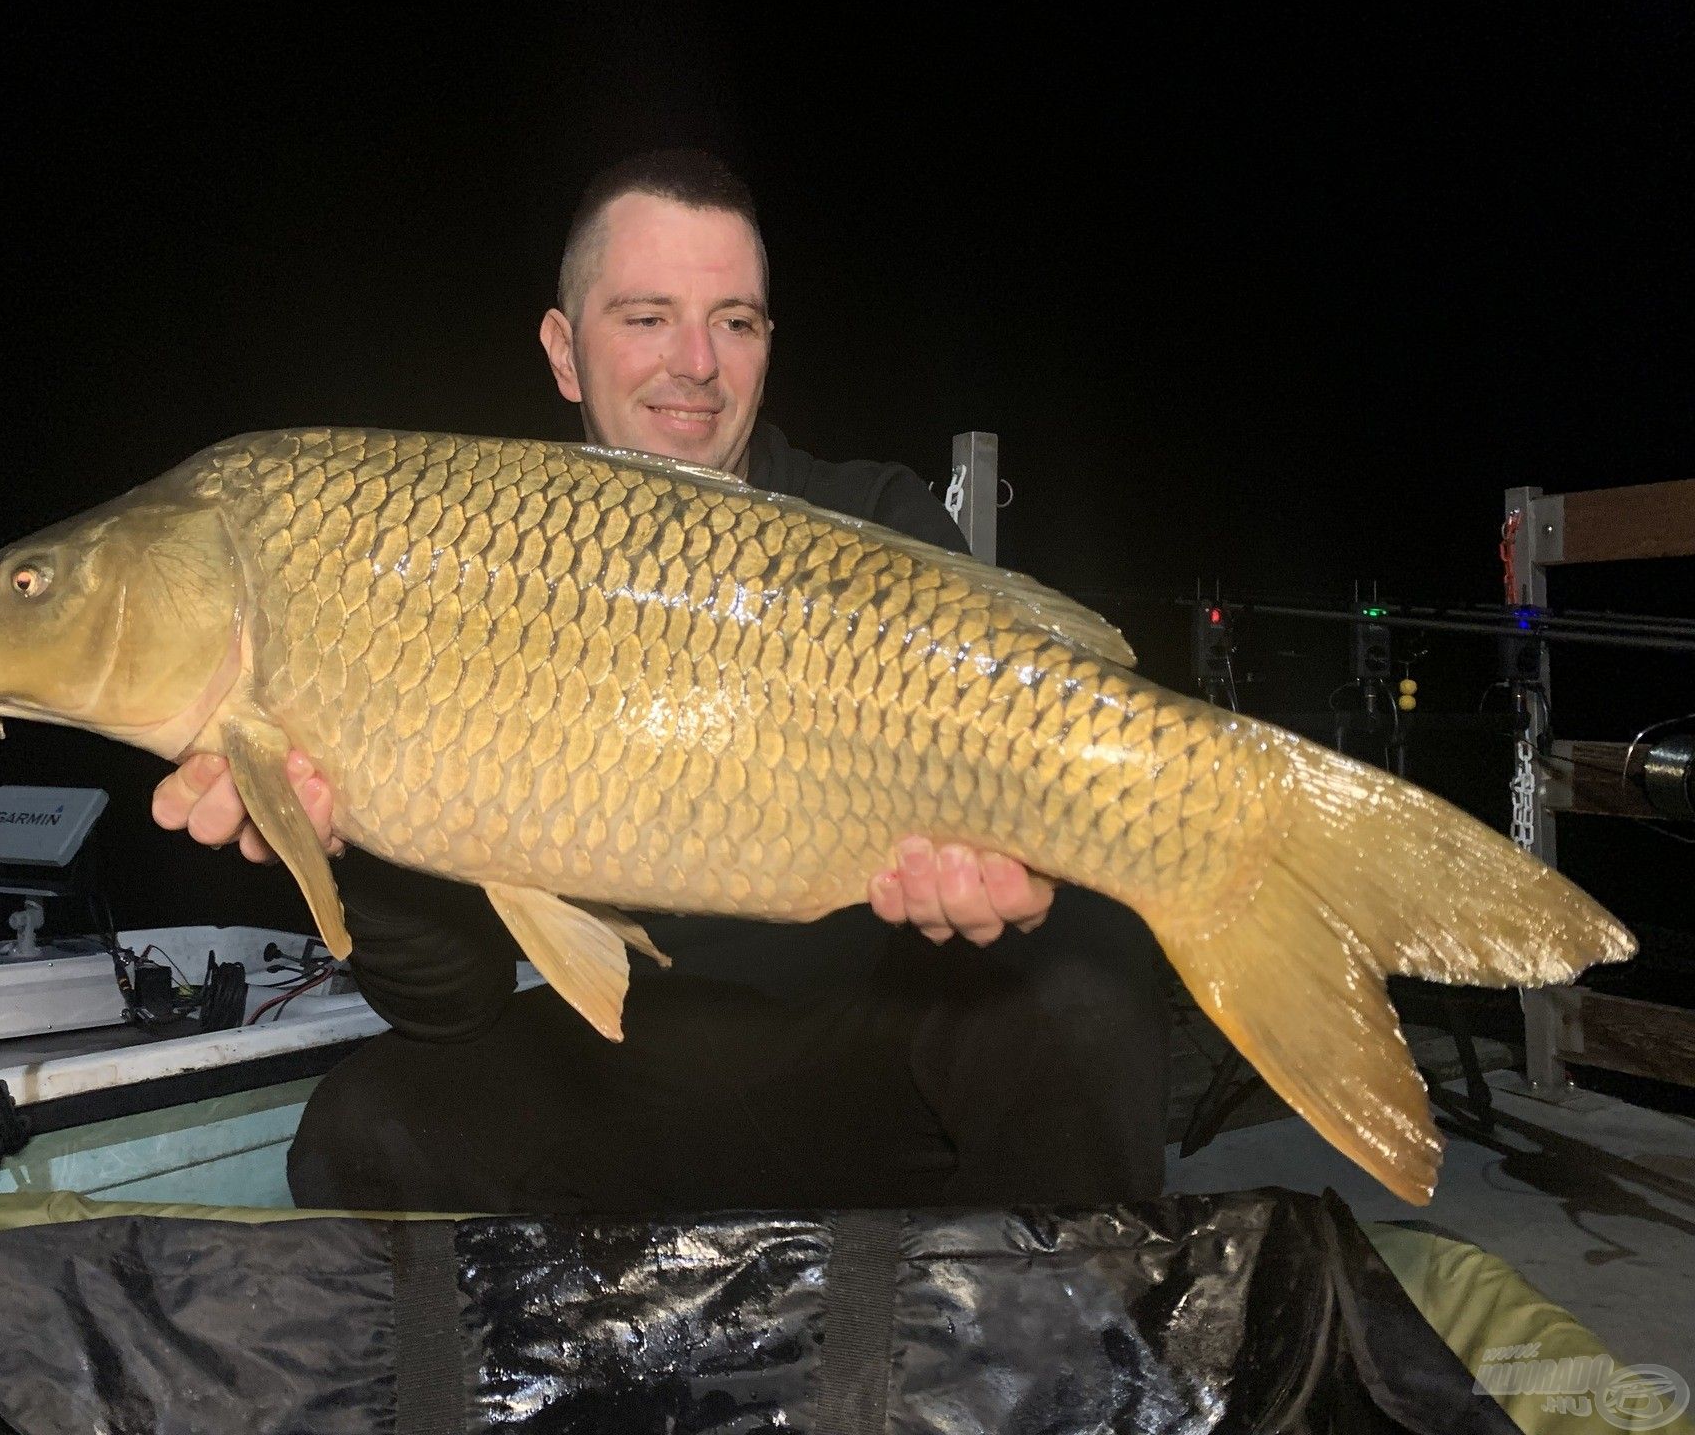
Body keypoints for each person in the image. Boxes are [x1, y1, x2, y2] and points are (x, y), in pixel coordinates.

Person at [153, 151, 1170, 1213]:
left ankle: (1060, 1359)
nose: (697, 362)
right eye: (646, 318)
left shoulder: (873, 521)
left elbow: (1039, 752)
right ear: (563, 350)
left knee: (1082, 973)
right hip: (645, 1057)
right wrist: (344, 841)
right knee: (365, 1132)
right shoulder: (457, 562)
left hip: (880, 1047)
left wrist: (996, 896)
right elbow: (450, 1007)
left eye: (736, 321)